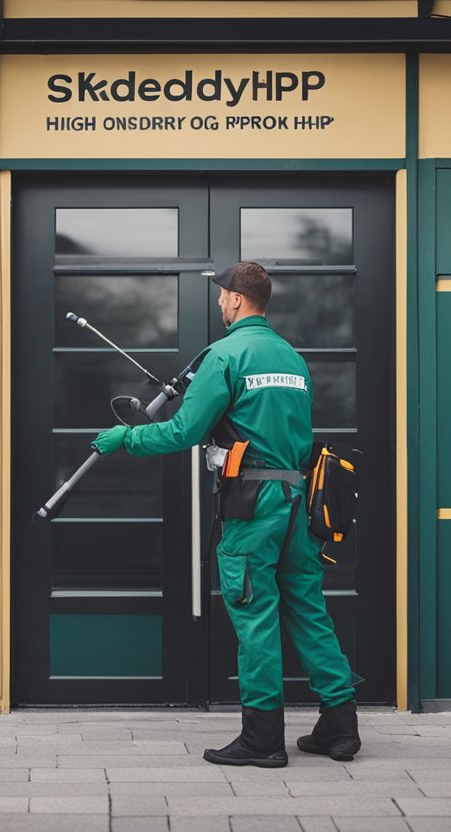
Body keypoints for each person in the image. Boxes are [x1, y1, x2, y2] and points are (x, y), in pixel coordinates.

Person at [91, 261, 361, 768]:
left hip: (252, 506)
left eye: (221, 296)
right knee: (308, 611)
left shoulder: (225, 356)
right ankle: (340, 728)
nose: (218, 302)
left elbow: (182, 432)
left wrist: (125, 437)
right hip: (299, 503)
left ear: (238, 300)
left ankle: (263, 740)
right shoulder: (292, 359)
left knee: (254, 613)